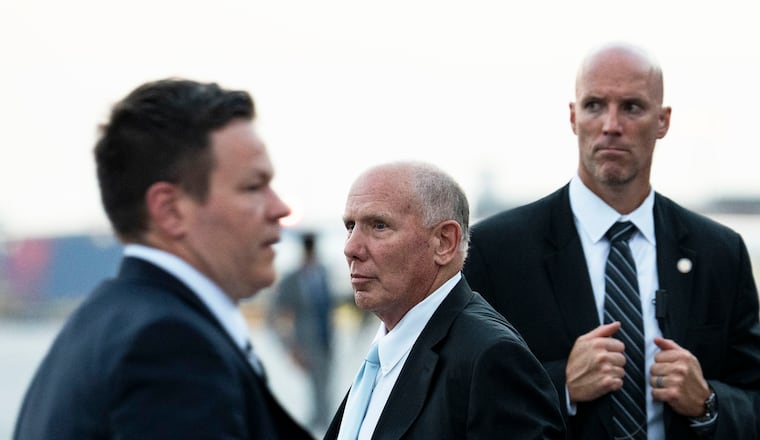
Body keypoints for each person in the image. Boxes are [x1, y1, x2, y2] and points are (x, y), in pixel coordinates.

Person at [463, 42, 760, 439]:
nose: (611, 125)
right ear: (573, 117)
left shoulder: (719, 252)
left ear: (663, 121)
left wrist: (707, 403)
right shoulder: (496, 251)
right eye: (594, 105)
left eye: (632, 107)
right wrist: (560, 386)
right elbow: (459, 404)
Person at [14, 78, 314, 439]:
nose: (280, 208)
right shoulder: (170, 347)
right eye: (253, 186)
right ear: (170, 210)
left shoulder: (100, 323)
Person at [324, 161, 565, 440]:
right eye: (350, 226)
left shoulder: (489, 357)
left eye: (379, 225)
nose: (350, 248)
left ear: (444, 242)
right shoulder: (386, 354)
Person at [271, 231, 335, 431]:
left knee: (325, 384)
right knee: (315, 385)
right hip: (306, 342)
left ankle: (325, 422)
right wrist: (290, 346)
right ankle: (320, 423)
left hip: (326, 339)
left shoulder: (323, 273)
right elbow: (277, 314)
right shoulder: (292, 279)